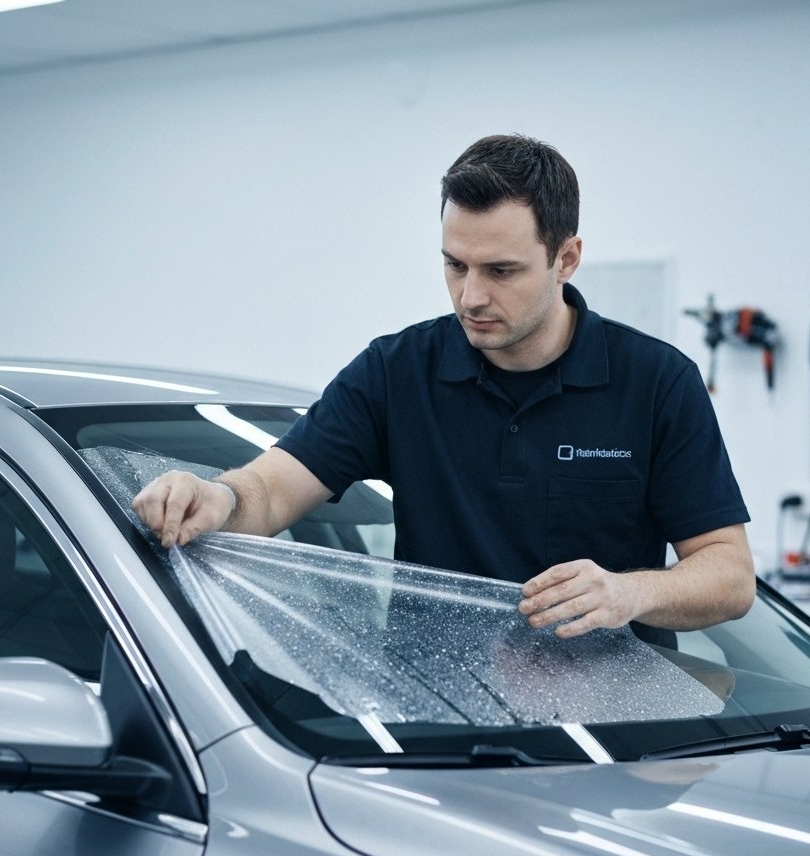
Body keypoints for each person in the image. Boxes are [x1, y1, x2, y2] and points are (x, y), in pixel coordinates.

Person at [133, 134, 755, 640]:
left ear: (565, 259)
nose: (471, 296)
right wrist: (216, 498)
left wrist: (627, 592)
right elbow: (269, 491)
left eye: (501, 270)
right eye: (455, 265)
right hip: (431, 726)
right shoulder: (396, 372)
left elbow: (729, 576)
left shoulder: (657, 383)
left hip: (617, 729)